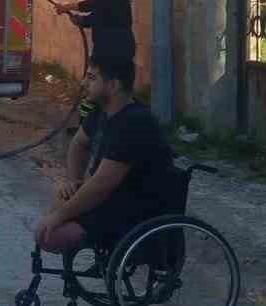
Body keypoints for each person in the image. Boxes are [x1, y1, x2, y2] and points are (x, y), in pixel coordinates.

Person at [34, 56, 177, 253]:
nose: (84, 83)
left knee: (50, 235)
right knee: (56, 210)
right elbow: (78, 145)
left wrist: (59, 216)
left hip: (134, 211)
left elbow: (102, 184)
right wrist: (73, 181)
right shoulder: (102, 112)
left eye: (92, 78)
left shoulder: (134, 122)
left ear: (113, 85)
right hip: (113, 201)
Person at [56, 0, 135, 122]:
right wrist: (81, 21)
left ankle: (95, 126)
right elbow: (100, 15)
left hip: (115, 46)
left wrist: (67, 7)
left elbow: (96, 4)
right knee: (98, 87)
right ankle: (90, 125)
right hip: (105, 45)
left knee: (108, 87)